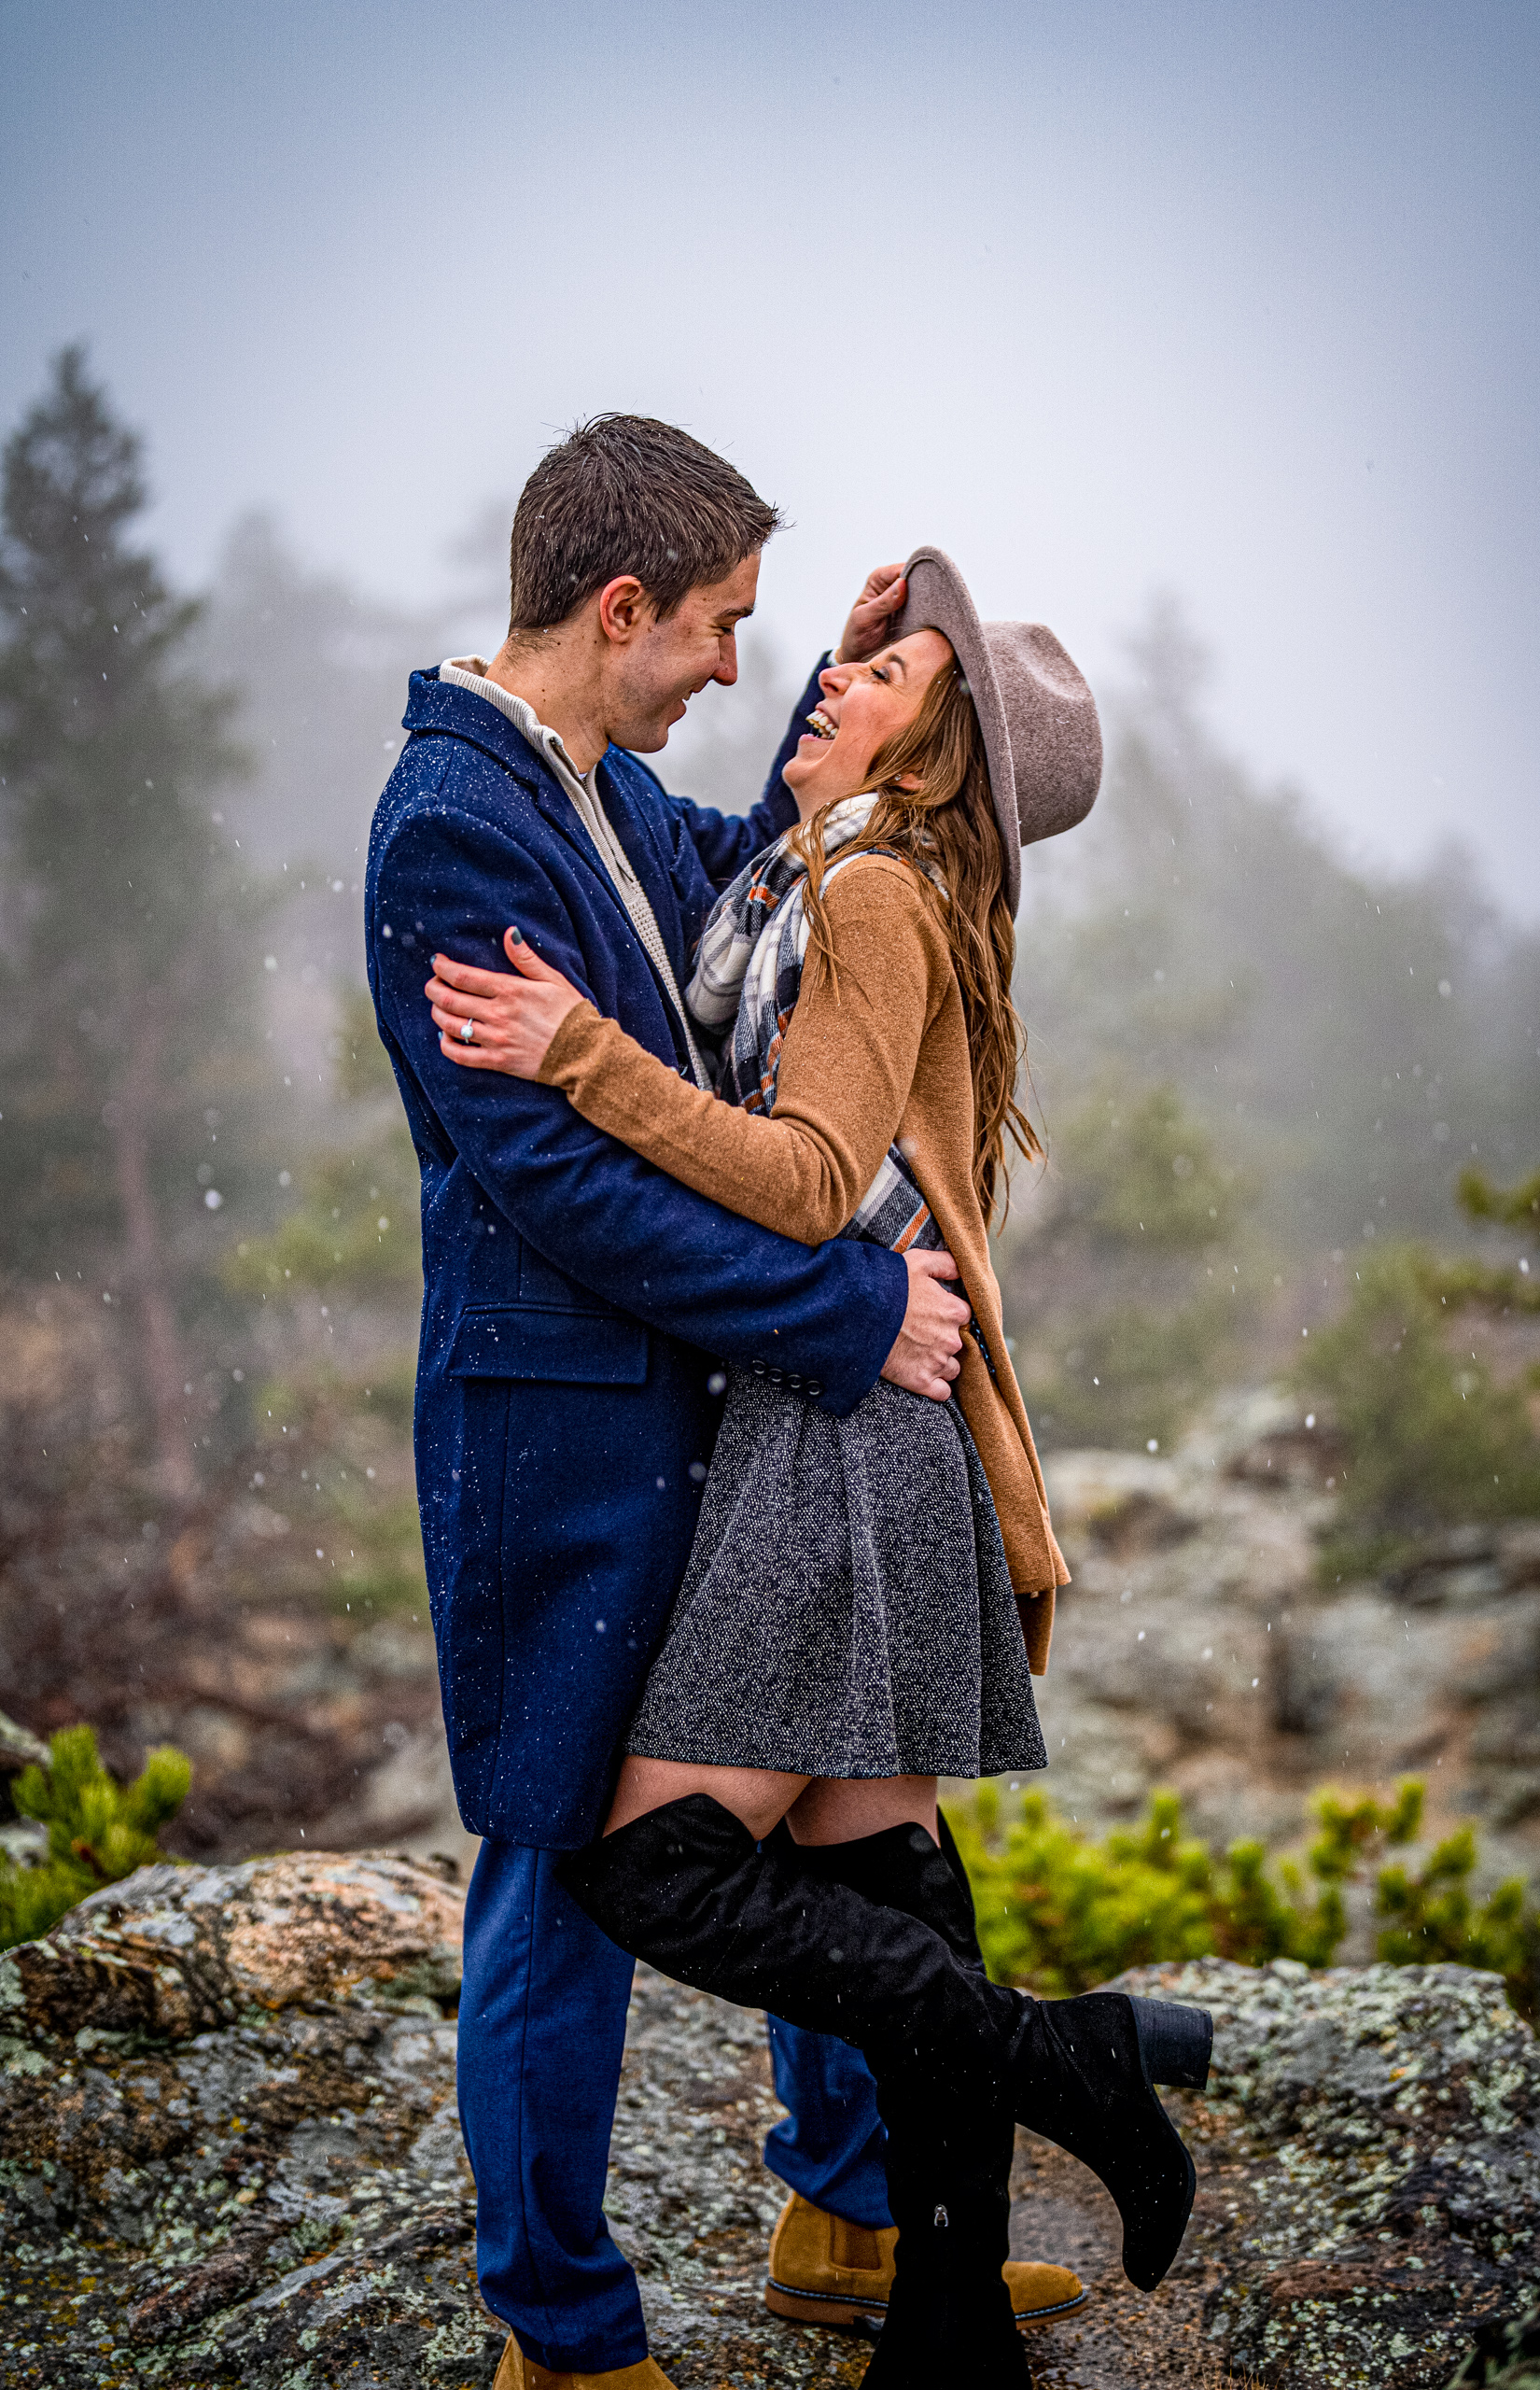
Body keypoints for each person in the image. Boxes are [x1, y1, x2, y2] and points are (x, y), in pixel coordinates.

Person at [427, 546, 1213, 2388]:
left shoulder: (861, 897)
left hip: (843, 1431)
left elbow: (798, 1176)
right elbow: (749, 768)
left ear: (927, 745)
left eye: (878, 674)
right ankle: (939, 2315)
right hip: (849, 1416)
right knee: (880, 1873)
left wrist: (580, 1053)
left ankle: (1062, 2062)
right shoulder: (829, 870)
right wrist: (868, 646)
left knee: (653, 1867)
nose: (826, 682)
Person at [366, 421, 985, 2390]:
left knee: (802, 1768)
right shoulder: (453, 824)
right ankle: (557, 2331)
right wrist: (843, 1303)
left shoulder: (599, 784)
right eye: (722, 628)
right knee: (558, 1865)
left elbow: (740, 867)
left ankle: (844, 2206)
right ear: (617, 608)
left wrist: (860, 693)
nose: (737, 665)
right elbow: (564, 1186)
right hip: (557, 1438)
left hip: (694, 1412)